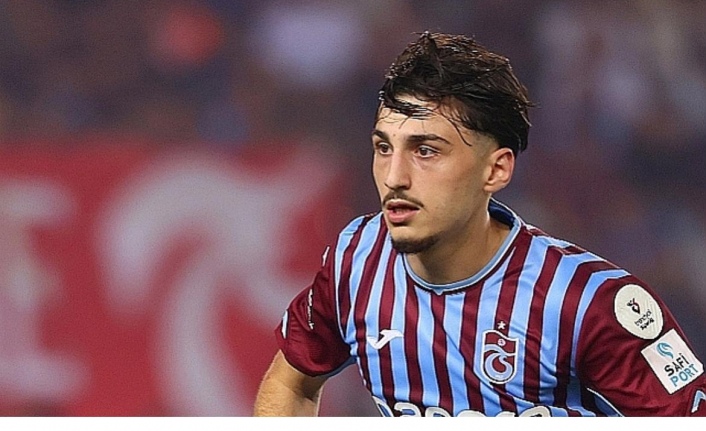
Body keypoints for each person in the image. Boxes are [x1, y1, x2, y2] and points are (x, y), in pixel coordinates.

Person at [253, 31, 706, 417]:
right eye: (384, 148)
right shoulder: (357, 258)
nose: (394, 177)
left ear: (496, 170)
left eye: (426, 151)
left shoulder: (587, 301)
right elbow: (292, 382)